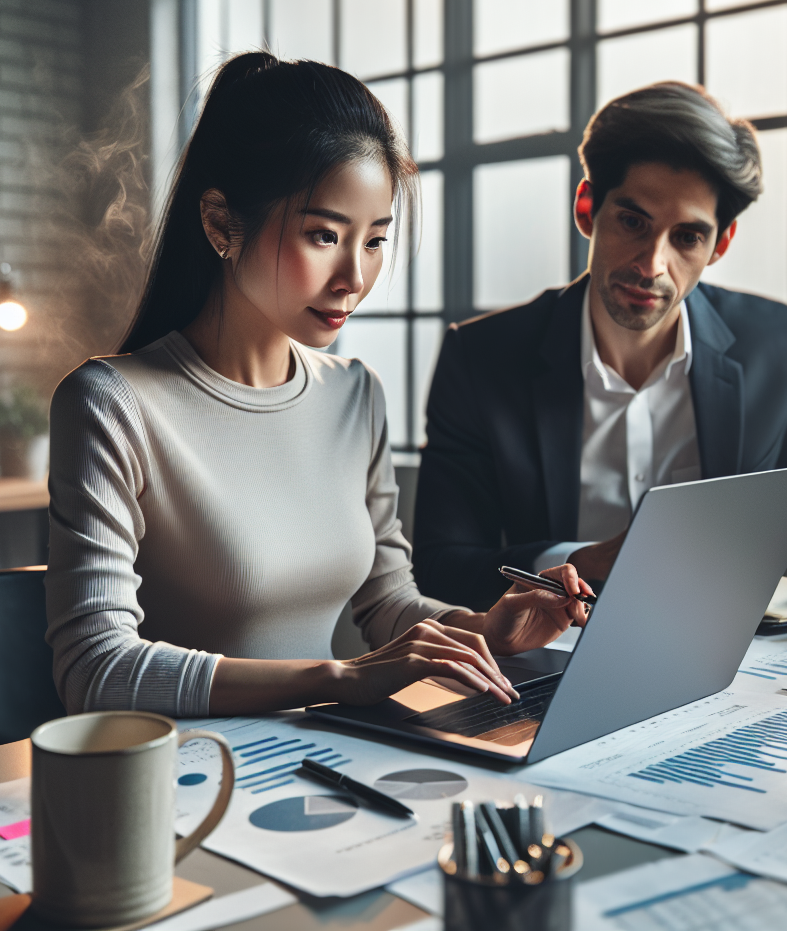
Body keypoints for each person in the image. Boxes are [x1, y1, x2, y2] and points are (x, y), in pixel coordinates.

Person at [45, 53, 590, 718]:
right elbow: (95, 669)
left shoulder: (354, 395)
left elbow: (389, 606)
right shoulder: (113, 403)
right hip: (187, 782)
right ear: (221, 224)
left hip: (327, 762)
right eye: (324, 235)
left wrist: (487, 630)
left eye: (374, 241)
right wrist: (336, 677)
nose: (353, 278)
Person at [412, 81, 787, 612]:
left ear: (720, 244)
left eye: (687, 237)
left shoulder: (773, 342)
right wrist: (588, 561)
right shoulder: (482, 358)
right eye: (632, 221)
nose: (651, 265)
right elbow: (443, 566)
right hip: (546, 650)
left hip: (727, 651)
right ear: (586, 208)